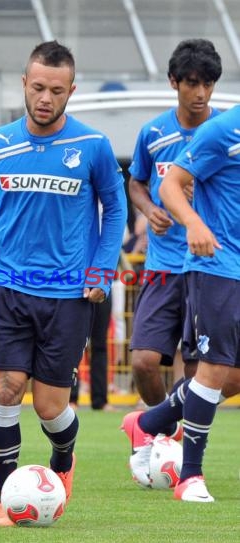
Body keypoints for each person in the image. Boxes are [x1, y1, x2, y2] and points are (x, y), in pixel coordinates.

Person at [0, 40, 127, 526]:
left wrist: (102, 269)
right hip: (8, 286)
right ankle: (5, 499)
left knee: (51, 408)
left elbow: (115, 209)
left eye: (56, 90)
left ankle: (63, 462)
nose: (45, 98)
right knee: (7, 389)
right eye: (37, 88)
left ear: (71, 90)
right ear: (24, 86)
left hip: (70, 295)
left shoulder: (92, 146)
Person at [122, 98, 240, 501]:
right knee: (211, 367)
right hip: (217, 263)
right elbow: (170, 182)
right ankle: (190, 476)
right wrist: (193, 223)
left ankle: (149, 422)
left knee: (233, 378)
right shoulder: (224, 129)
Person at [127, 39, 222, 413]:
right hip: (163, 265)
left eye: (208, 84)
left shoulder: (227, 133)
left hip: (211, 265)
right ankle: (163, 425)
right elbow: (136, 181)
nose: (200, 94)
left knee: (198, 370)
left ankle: (175, 440)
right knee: (143, 362)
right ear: (173, 82)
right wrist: (149, 209)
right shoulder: (153, 134)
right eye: (192, 83)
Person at [69, 297, 114, 411]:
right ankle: (71, 399)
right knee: (72, 344)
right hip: (76, 289)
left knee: (100, 346)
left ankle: (100, 400)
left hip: (102, 289)